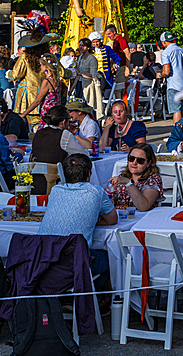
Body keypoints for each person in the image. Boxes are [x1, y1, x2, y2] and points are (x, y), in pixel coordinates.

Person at [38, 153, 118, 289]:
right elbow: (113, 219)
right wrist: (92, 219)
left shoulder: (55, 190)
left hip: (44, 259)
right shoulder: (96, 192)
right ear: (89, 174)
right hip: (73, 263)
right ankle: (96, 299)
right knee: (112, 257)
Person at [32, 106, 90, 193]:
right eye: (69, 120)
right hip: (55, 184)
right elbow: (84, 155)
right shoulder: (63, 134)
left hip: (34, 183)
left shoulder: (39, 133)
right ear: (63, 121)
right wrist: (72, 135)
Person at [108, 143, 162, 211]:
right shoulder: (123, 176)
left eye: (140, 160)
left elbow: (143, 206)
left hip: (143, 218)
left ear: (148, 163)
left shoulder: (153, 179)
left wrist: (129, 183)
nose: (134, 163)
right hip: (121, 216)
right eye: (131, 158)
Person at [157, 31, 183, 125]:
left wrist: (160, 74)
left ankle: (177, 133)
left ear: (164, 42)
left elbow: (166, 71)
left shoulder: (166, 52)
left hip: (174, 84)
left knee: (176, 110)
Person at [75, 37, 104, 120]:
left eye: (83, 46)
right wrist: (72, 88)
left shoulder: (92, 59)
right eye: (80, 45)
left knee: (89, 106)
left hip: (89, 86)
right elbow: (78, 75)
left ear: (88, 47)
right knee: (79, 106)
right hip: (80, 84)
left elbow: (93, 74)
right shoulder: (80, 58)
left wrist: (82, 74)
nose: (80, 47)